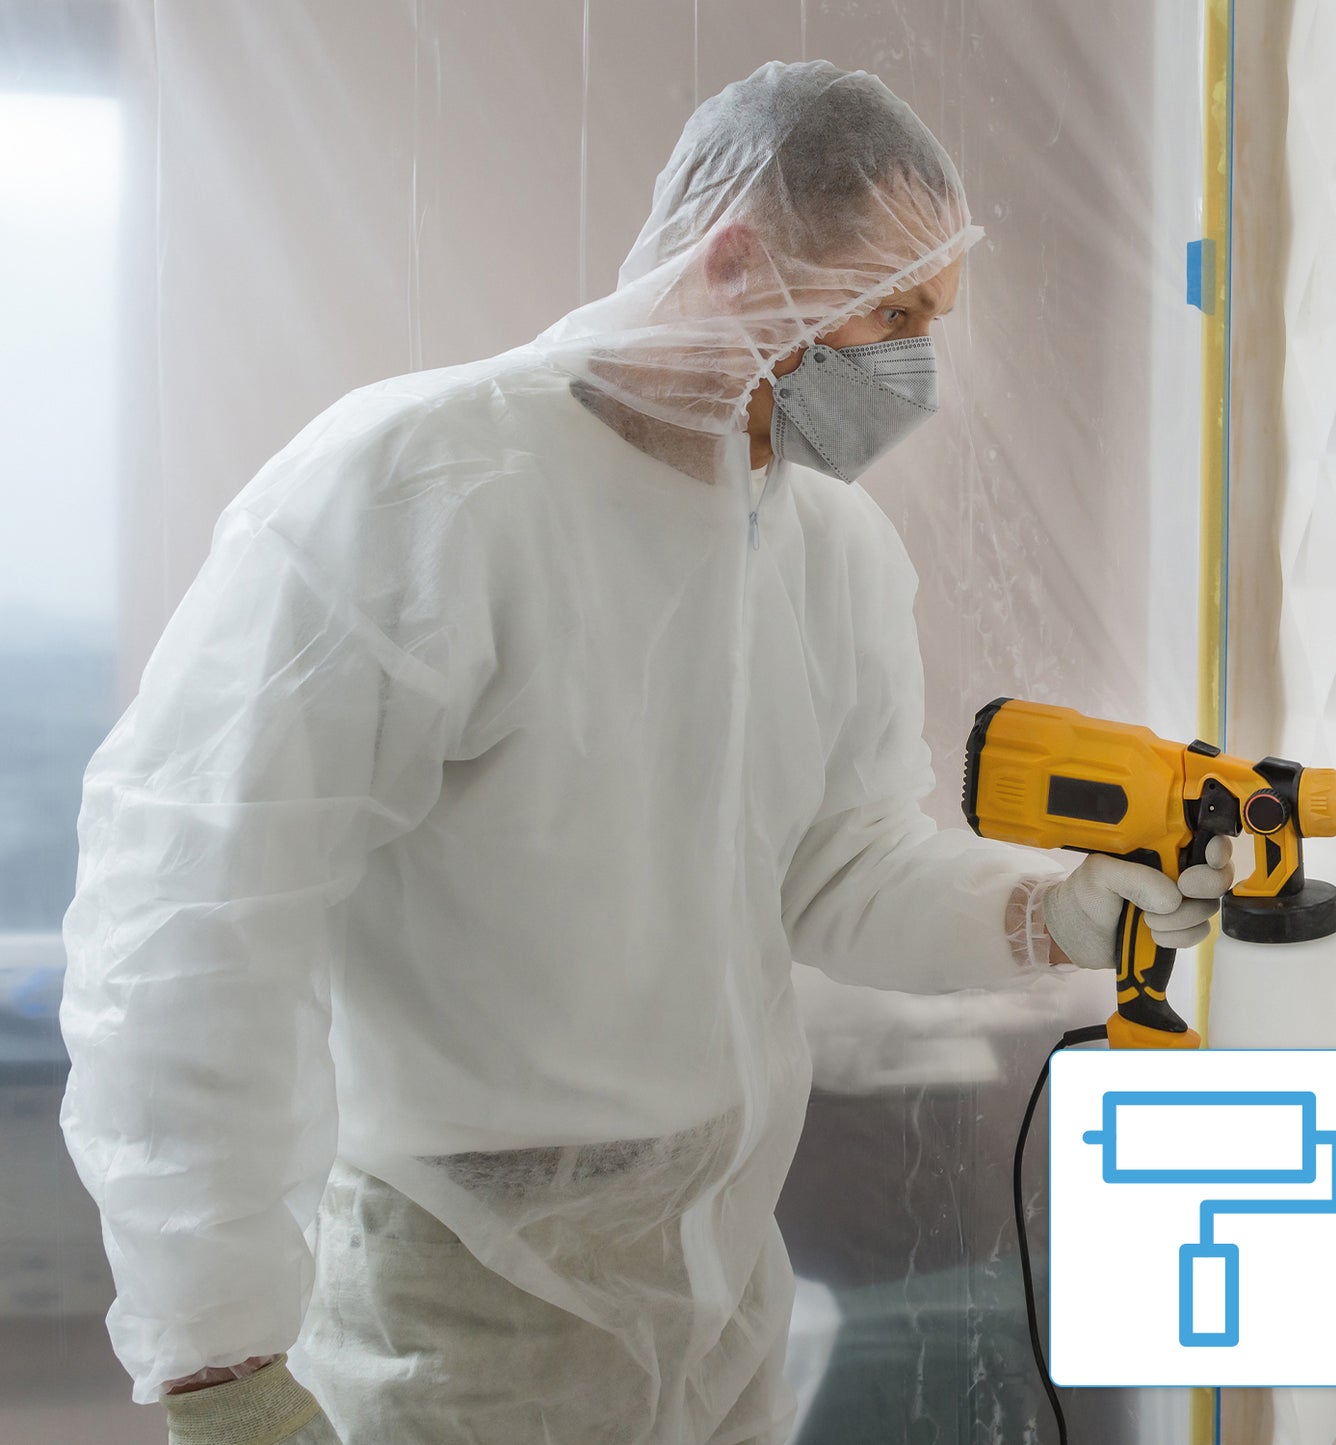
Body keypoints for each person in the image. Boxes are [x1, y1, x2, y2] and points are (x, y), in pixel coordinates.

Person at [59, 60, 1231, 1445]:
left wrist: (1044, 910)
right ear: (733, 257)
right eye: (888, 311)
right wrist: (220, 1351)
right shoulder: (425, 487)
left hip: (716, 1277)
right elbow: (198, 908)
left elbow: (839, 863)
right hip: (457, 1299)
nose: (911, 369)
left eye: (930, 320)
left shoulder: (826, 549)